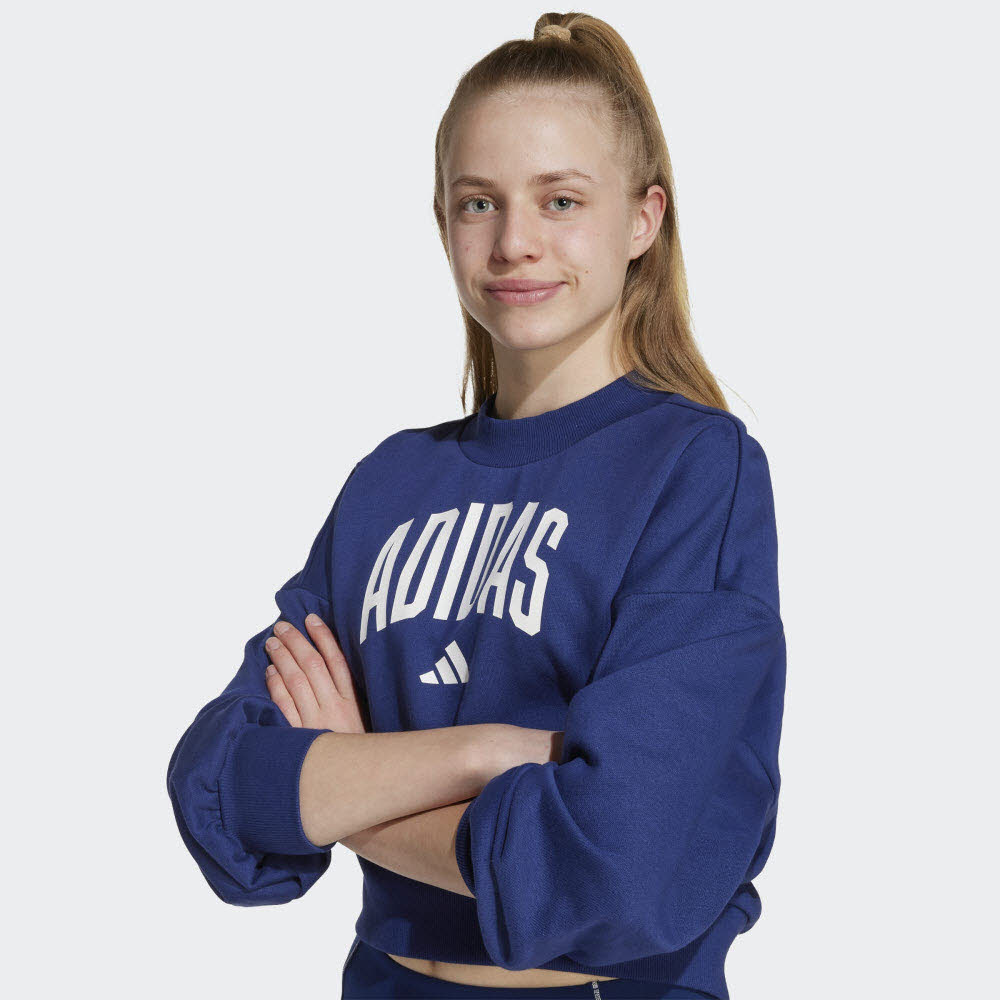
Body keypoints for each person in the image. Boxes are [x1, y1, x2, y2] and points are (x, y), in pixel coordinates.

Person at [166, 13, 786, 1000]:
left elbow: (619, 859)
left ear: (642, 220)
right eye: (477, 203)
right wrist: (484, 753)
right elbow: (222, 784)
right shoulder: (389, 482)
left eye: (560, 200)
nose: (514, 243)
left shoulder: (693, 469)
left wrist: (351, 784)